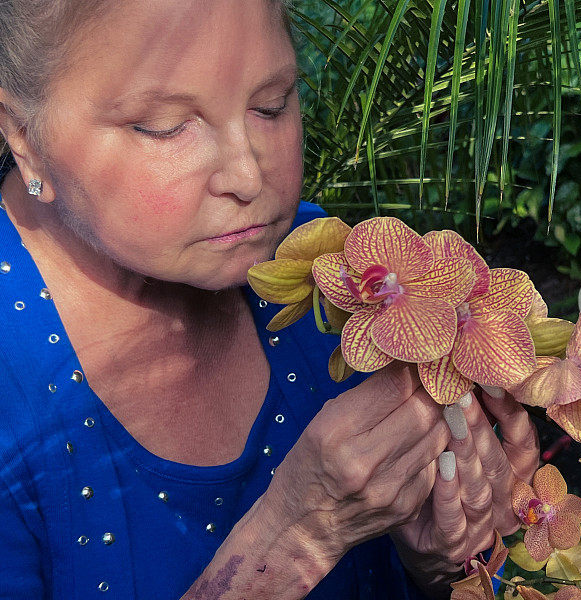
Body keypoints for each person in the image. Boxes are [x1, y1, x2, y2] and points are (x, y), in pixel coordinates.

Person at [0, 1, 539, 598]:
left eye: (271, 105)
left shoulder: (331, 278)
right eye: (165, 125)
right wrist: (294, 540)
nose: (248, 175)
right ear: (23, 135)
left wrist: (441, 562)